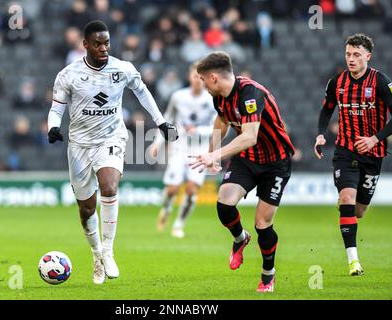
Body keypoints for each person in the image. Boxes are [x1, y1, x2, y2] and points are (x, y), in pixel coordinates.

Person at [47, 20, 178, 285]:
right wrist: (53, 127)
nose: (103, 48)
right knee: (86, 209)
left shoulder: (123, 68)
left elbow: (143, 93)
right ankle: (96, 254)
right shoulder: (68, 75)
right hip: (79, 145)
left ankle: (108, 249)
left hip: (111, 137)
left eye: (106, 43)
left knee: (109, 187)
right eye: (97, 43)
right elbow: (57, 108)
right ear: (85, 45)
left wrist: (161, 122)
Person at [189, 51, 295, 292]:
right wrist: (211, 151)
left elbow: (249, 136)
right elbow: (222, 121)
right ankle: (240, 238)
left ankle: (268, 274)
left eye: (203, 79)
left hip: (275, 163)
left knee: (262, 224)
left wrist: (216, 155)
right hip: (247, 160)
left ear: (214, 77)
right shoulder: (219, 97)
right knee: (224, 204)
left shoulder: (251, 93)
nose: (201, 84)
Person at [314, 33, 392, 276]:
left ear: (368, 56)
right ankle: (353, 261)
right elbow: (326, 110)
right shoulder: (336, 83)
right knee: (346, 198)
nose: (351, 59)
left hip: (373, 152)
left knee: (358, 211)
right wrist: (320, 134)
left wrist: (374, 139)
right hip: (345, 150)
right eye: (348, 54)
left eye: (357, 55)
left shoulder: (380, 82)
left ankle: (350, 213)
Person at [149, 62, 215, 238]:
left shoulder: (211, 99)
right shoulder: (178, 97)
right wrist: (157, 143)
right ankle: (166, 208)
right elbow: (166, 121)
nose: (198, 80)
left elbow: (218, 127)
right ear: (189, 77)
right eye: (195, 76)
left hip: (200, 150)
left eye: (202, 78)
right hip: (179, 148)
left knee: (192, 190)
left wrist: (198, 131)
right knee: (172, 189)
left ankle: (178, 225)